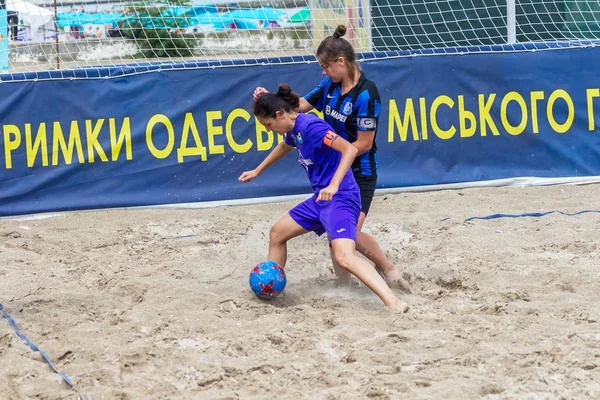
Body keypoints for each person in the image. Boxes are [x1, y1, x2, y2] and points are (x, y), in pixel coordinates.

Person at [253, 25, 410, 292]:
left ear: (341, 62)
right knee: (338, 236)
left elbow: (363, 144)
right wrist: (270, 102)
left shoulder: (366, 95)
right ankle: (344, 286)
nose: (323, 72)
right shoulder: (330, 84)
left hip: (359, 170)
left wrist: (334, 149)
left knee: (350, 236)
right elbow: (296, 108)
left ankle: (388, 269)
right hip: (333, 169)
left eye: (326, 66)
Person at [239, 84, 409, 311]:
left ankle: (394, 302)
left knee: (345, 257)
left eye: (268, 125)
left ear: (279, 115)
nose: (269, 130)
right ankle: (271, 288)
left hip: (340, 198)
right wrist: (258, 170)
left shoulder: (311, 126)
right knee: (277, 233)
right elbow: (284, 146)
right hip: (321, 200)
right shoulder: (293, 127)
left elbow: (348, 149)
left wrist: (334, 184)